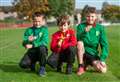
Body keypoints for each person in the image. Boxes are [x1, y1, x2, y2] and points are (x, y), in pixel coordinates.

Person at [76, 7, 109, 75]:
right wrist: (84, 31)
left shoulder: (100, 28)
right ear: (85, 16)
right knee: (79, 43)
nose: (90, 18)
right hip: (83, 52)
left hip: (93, 54)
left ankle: (87, 64)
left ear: (96, 17)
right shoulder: (81, 26)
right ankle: (81, 66)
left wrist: (102, 59)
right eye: (88, 16)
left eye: (92, 16)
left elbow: (104, 44)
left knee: (103, 70)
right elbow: (78, 38)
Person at [19, 12, 48, 76]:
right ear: (33, 21)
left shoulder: (44, 30)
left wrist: (33, 45)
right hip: (32, 52)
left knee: (42, 48)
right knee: (22, 64)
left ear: (43, 21)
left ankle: (42, 68)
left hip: (41, 51)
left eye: (39, 21)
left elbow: (44, 42)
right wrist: (27, 41)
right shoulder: (29, 30)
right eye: (35, 21)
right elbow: (23, 42)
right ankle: (32, 63)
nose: (37, 23)